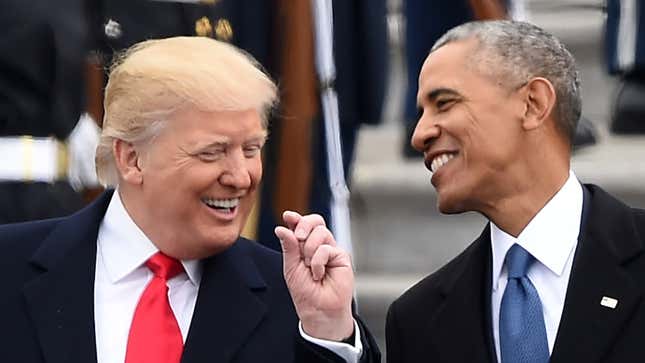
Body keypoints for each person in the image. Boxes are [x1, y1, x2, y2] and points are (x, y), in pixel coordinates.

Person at [0, 36, 379, 363]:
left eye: (251, 149)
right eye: (212, 152)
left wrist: (329, 332)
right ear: (131, 159)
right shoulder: (10, 267)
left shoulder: (295, 301)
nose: (241, 176)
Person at [384, 20, 645, 362]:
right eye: (420, 113)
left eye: (444, 103)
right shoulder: (417, 320)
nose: (419, 134)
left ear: (533, 103)